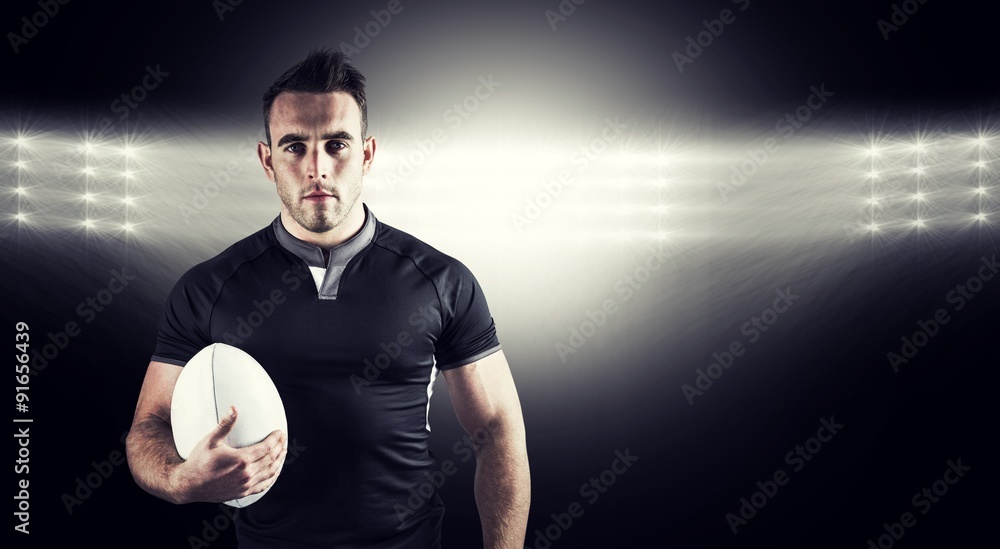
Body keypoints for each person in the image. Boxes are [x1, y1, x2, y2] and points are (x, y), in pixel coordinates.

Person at [125, 48, 530, 548]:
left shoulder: (442, 280)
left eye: (336, 143)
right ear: (267, 160)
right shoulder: (209, 288)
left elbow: (496, 428)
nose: (317, 168)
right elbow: (149, 425)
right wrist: (180, 480)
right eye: (294, 146)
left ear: (367, 153)